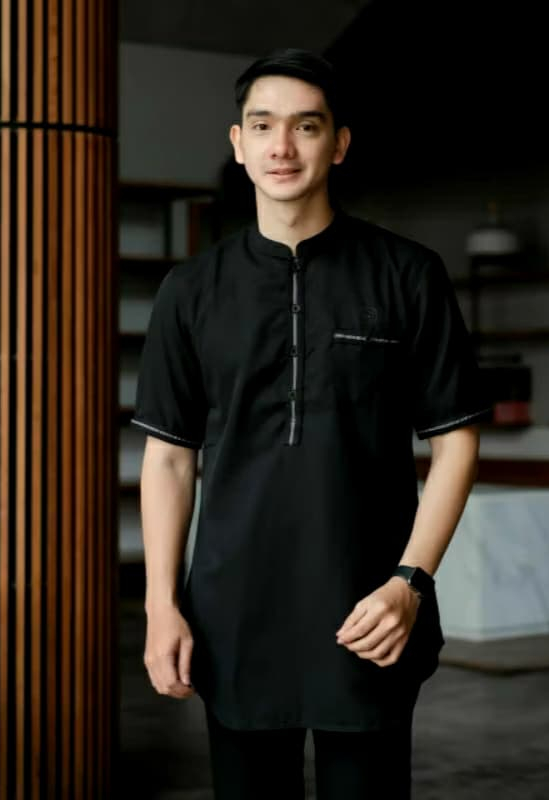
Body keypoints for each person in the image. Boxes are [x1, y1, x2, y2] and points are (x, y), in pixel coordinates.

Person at [133, 48, 490, 800]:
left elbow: (456, 441)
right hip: (234, 614)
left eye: (306, 126)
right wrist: (161, 604)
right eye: (263, 126)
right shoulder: (190, 291)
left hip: (370, 610)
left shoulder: (407, 274)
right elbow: (168, 458)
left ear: (340, 143)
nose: (283, 147)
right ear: (239, 144)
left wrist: (410, 581)